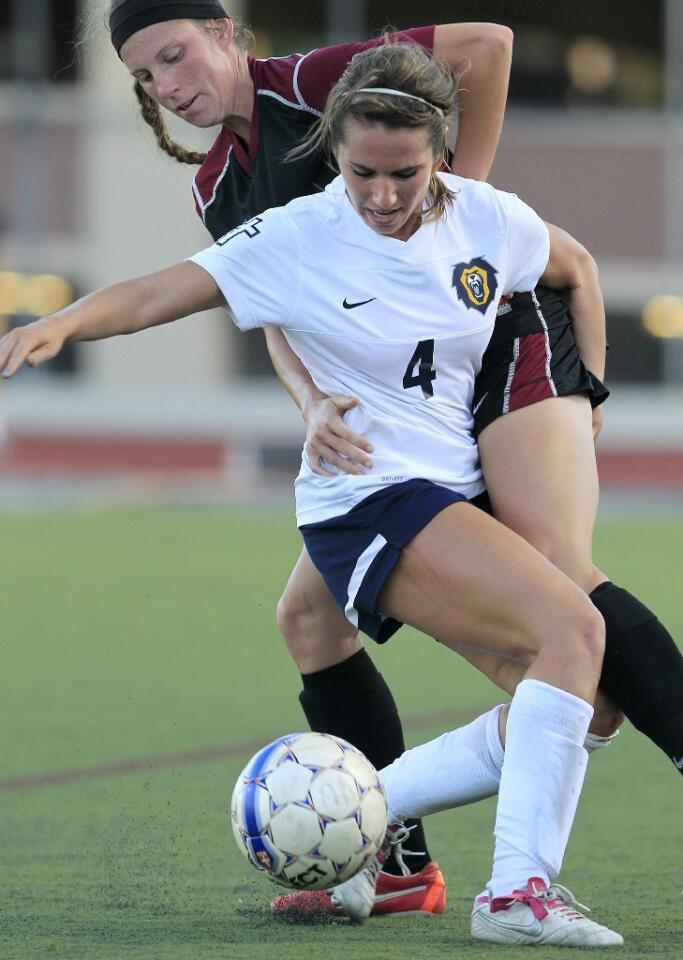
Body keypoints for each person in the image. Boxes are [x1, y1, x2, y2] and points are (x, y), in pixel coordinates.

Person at [0, 40, 629, 946]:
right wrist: (61, 322)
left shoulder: (489, 218)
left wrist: (588, 397)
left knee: (582, 704)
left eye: (403, 174)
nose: (380, 195)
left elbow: (573, 271)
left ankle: (354, 815)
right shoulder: (297, 234)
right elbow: (159, 291)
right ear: (334, 149)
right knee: (574, 630)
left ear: (440, 151)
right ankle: (516, 892)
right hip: (365, 501)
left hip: (448, 493)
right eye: (361, 171)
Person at [107, 0, 516, 908]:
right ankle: (402, 868)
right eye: (145, 77)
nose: (168, 86)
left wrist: (461, 218)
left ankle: (524, 806)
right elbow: (274, 311)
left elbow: (487, 47)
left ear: (225, 34)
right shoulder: (217, 186)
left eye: (175, 56)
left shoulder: (308, 82)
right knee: (311, 622)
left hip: (495, 369)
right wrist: (307, 404)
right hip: (402, 419)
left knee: (563, 659)